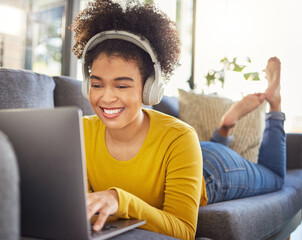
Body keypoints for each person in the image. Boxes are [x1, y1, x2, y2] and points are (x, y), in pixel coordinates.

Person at [70, 1, 286, 239]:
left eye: (121, 85)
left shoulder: (180, 137)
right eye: (97, 84)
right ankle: (225, 126)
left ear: (149, 89)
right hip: (185, 154)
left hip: (213, 171)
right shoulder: (78, 132)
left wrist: (120, 200)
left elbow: (184, 230)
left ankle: (274, 103)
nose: (106, 97)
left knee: (274, 177)